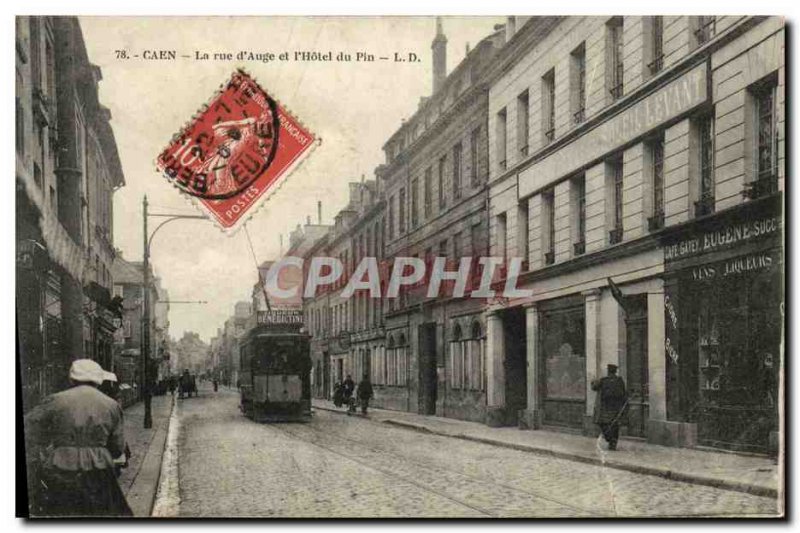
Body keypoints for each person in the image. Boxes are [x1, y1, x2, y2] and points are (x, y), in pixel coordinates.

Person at [24, 359, 133, 517]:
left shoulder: (55, 400)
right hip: (99, 469)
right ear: (98, 380)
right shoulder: (111, 405)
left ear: (72, 378)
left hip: (61, 467)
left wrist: (47, 448)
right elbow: (117, 448)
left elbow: (29, 428)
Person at [591, 364, 628, 451]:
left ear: (608, 371)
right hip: (616, 408)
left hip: (605, 408)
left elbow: (594, 387)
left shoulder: (603, 380)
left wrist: (593, 380)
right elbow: (624, 393)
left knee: (603, 424)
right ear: (615, 371)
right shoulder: (619, 380)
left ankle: (609, 439)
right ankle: (613, 443)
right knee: (615, 425)